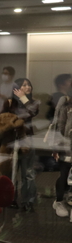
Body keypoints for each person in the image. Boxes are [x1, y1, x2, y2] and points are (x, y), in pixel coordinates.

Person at [1, 78, 40, 211]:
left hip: (26, 141)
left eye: (29, 85)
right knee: (10, 172)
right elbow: (0, 120)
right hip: (11, 141)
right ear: (16, 88)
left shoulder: (33, 102)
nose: (28, 87)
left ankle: (28, 201)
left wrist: (23, 98)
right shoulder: (9, 102)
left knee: (27, 173)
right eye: (24, 85)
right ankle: (10, 199)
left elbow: (32, 112)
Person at [51, 88, 72, 219]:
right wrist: (57, 147)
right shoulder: (65, 103)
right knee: (64, 174)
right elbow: (60, 126)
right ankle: (59, 201)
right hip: (66, 147)